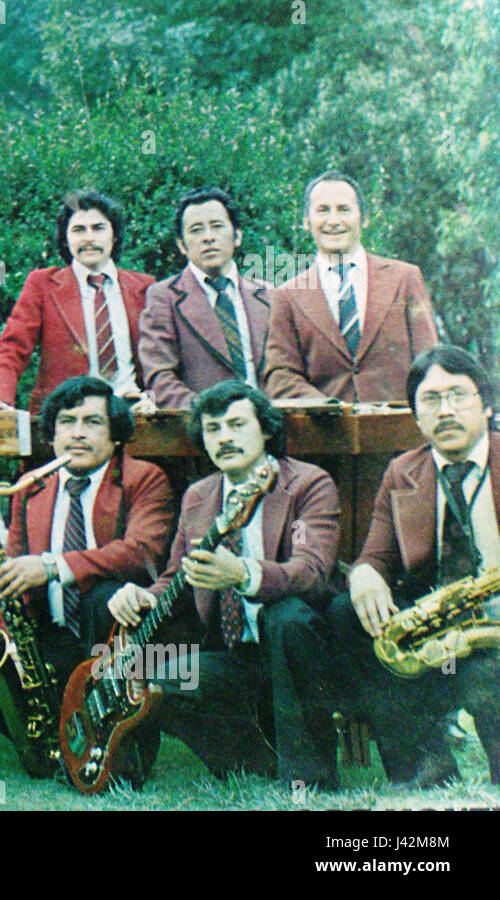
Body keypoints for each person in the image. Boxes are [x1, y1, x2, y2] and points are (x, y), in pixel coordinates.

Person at [108, 381, 341, 789]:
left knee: (285, 615)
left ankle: (311, 780)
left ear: (266, 429)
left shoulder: (307, 484)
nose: (225, 438)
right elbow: (175, 577)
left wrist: (243, 574)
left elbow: (312, 571)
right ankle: (258, 766)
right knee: (164, 686)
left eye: (236, 425)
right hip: (234, 652)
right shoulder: (199, 496)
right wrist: (143, 596)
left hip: (302, 651)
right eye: (213, 429)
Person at [0, 376, 176, 779]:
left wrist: (51, 566)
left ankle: (121, 753)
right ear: (52, 432)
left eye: (92, 422)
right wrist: (11, 644)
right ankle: (54, 750)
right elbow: (12, 581)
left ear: (115, 436)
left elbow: (142, 552)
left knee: (102, 595)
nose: (77, 433)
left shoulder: (144, 478)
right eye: (66, 421)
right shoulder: (31, 486)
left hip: (113, 636)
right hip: (55, 637)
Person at [330, 345, 500, 787]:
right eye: (430, 400)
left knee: (487, 673)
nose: (445, 411)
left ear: (486, 404)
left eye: (458, 396)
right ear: (417, 417)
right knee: (347, 614)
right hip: (442, 621)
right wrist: (364, 575)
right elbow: (376, 556)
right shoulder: (402, 471)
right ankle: (423, 772)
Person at [264, 171, 437, 403]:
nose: (333, 221)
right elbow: (280, 375)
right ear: (306, 221)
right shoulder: (287, 295)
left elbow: (429, 358)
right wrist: (326, 406)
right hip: (329, 433)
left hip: (401, 432)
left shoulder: (405, 278)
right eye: (322, 210)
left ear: (363, 218)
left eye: (344, 210)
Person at [0, 190, 155, 416]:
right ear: (66, 238)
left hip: (131, 415)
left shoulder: (144, 287)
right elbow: (12, 348)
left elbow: (162, 358)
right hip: (65, 417)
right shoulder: (42, 285)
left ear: (114, 235)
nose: (89, 238)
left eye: (98, 228)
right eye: (78, 230)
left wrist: (154, 397)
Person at [139, 188, 274, 409]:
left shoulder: (267, 295)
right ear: (182, 245)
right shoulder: (164, 297)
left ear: (237, 236)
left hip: (270, 425)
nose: (208, 237)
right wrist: (211, 413)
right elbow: (159, 378)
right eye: (196, 230)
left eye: (217, 226)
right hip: (204, 429)